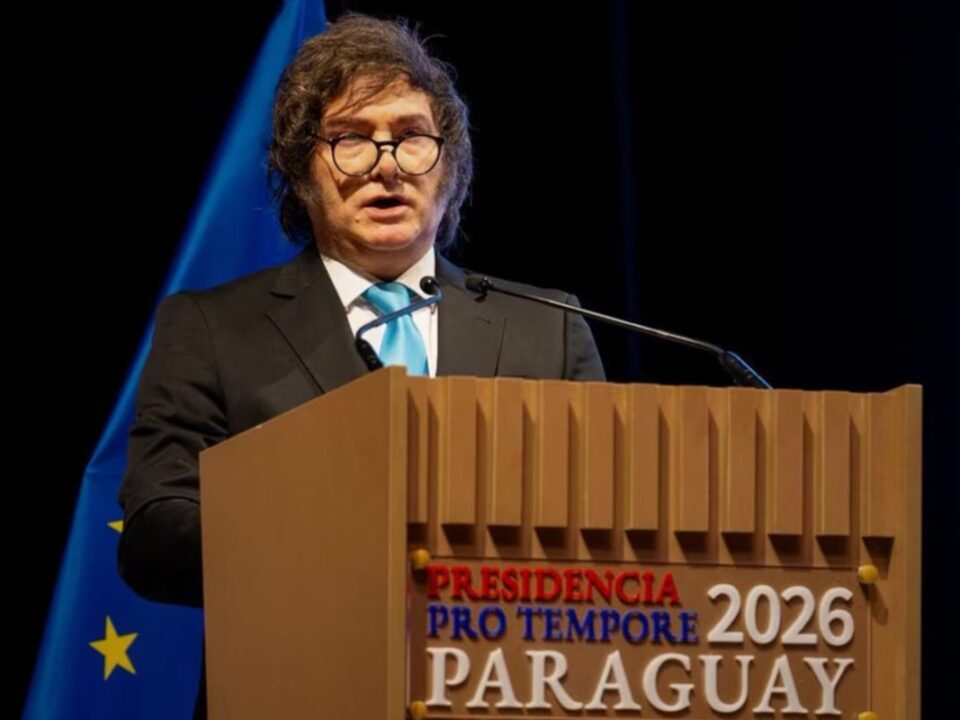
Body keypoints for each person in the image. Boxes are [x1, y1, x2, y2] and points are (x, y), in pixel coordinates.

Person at [117, 13, 604, 716]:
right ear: (300, 172)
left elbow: (604, 529)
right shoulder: (212, 329)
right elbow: (155, 536)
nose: (387, 164)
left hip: (511, 690)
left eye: (411, 137)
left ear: (449, 167)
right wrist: (326, 533)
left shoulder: (548, 327)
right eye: (351, 139)